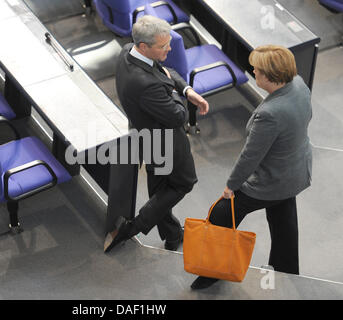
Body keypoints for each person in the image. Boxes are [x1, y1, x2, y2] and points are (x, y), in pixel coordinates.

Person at [191, 45, 313, 289]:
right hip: (296, 171)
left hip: (272, 180)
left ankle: (214, 271)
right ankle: (287, 269)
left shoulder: (270, 113)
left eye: (256, 70)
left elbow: (250, 157)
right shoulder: (299, 85)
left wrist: (231, 186)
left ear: (269, 76)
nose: (253, 71)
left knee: (222, 213)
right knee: (283, 217)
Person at [104, 15, 209, 253]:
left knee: (160, 187)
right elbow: (178, 116)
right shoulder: (144, 84)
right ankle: (133, 227)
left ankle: (172, 234)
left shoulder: (128, 51)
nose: (169, 48)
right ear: (144, 46)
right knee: (184, 183)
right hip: (166, 142)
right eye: (163, 46)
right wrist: (176, 93)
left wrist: (187, 89)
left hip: (146, 136)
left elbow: (165, 72)